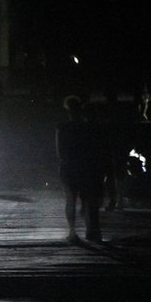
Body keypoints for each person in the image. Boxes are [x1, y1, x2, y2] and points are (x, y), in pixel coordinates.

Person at [56, 96, 102, 242]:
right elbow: (93, 149)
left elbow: (60, 151)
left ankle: (72, 231)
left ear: (67, 110)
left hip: (69, 168)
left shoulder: (62, 127)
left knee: (70, 200)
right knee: (86, 200)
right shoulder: (87, 127)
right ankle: (90, 230)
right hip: (85, 168)